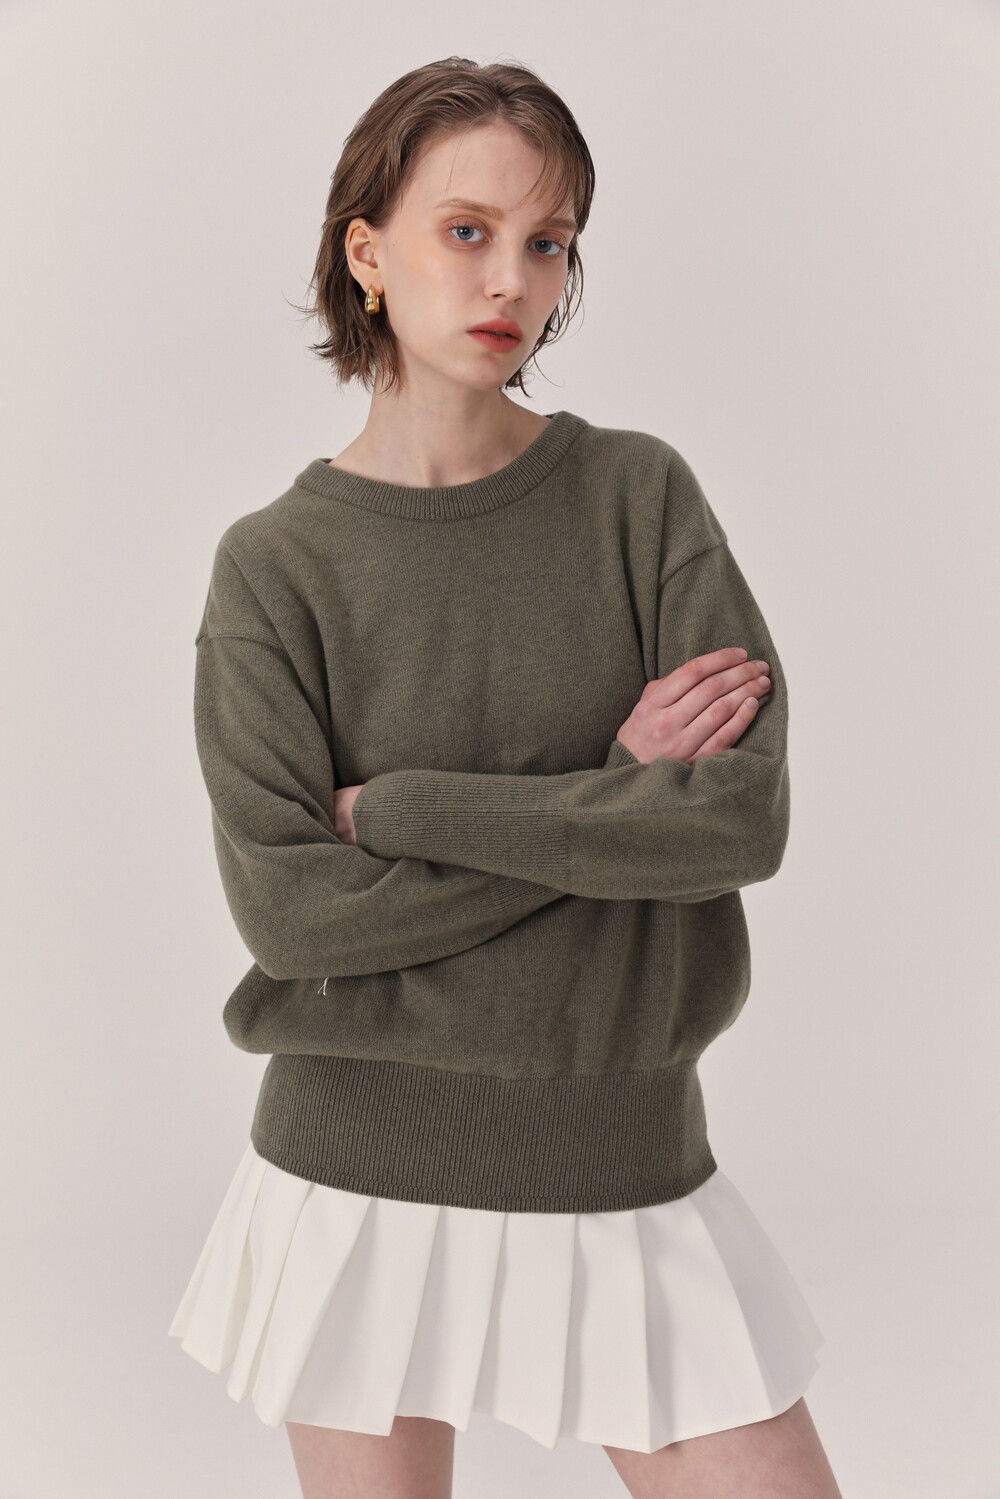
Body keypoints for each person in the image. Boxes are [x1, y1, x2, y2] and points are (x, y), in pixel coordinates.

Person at [168, 56, 844, 1499]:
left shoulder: (637, 496)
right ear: (367, 252)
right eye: (466, 230)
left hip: (623, 1163)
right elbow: (296, 919)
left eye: (548, 243)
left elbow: (738, 819)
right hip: (351, 1173)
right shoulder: (276, 568)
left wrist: (407, 812)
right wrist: (616, 797)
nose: (510, 280)